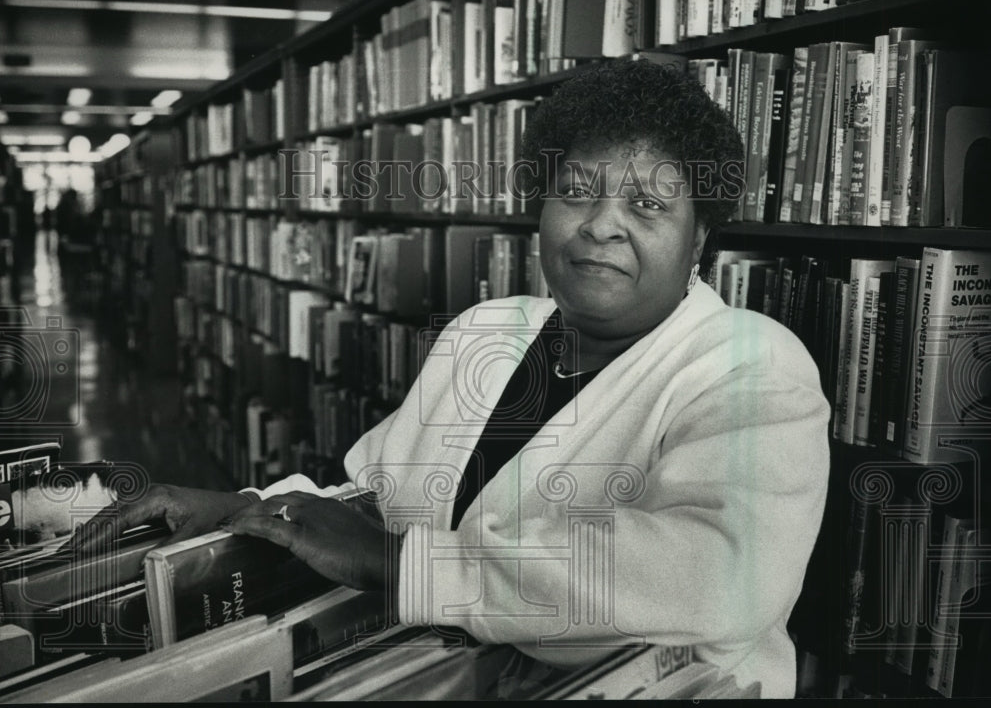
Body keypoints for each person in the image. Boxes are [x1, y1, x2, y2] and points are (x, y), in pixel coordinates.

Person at [75, 59, 830, 698]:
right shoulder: (488, 333)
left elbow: (716, 576)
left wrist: (406, 565)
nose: (602, 225)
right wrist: (248, 510)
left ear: (700, 233)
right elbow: (376, 504)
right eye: (577, 192)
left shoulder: (753, 363)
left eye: (648, 205)